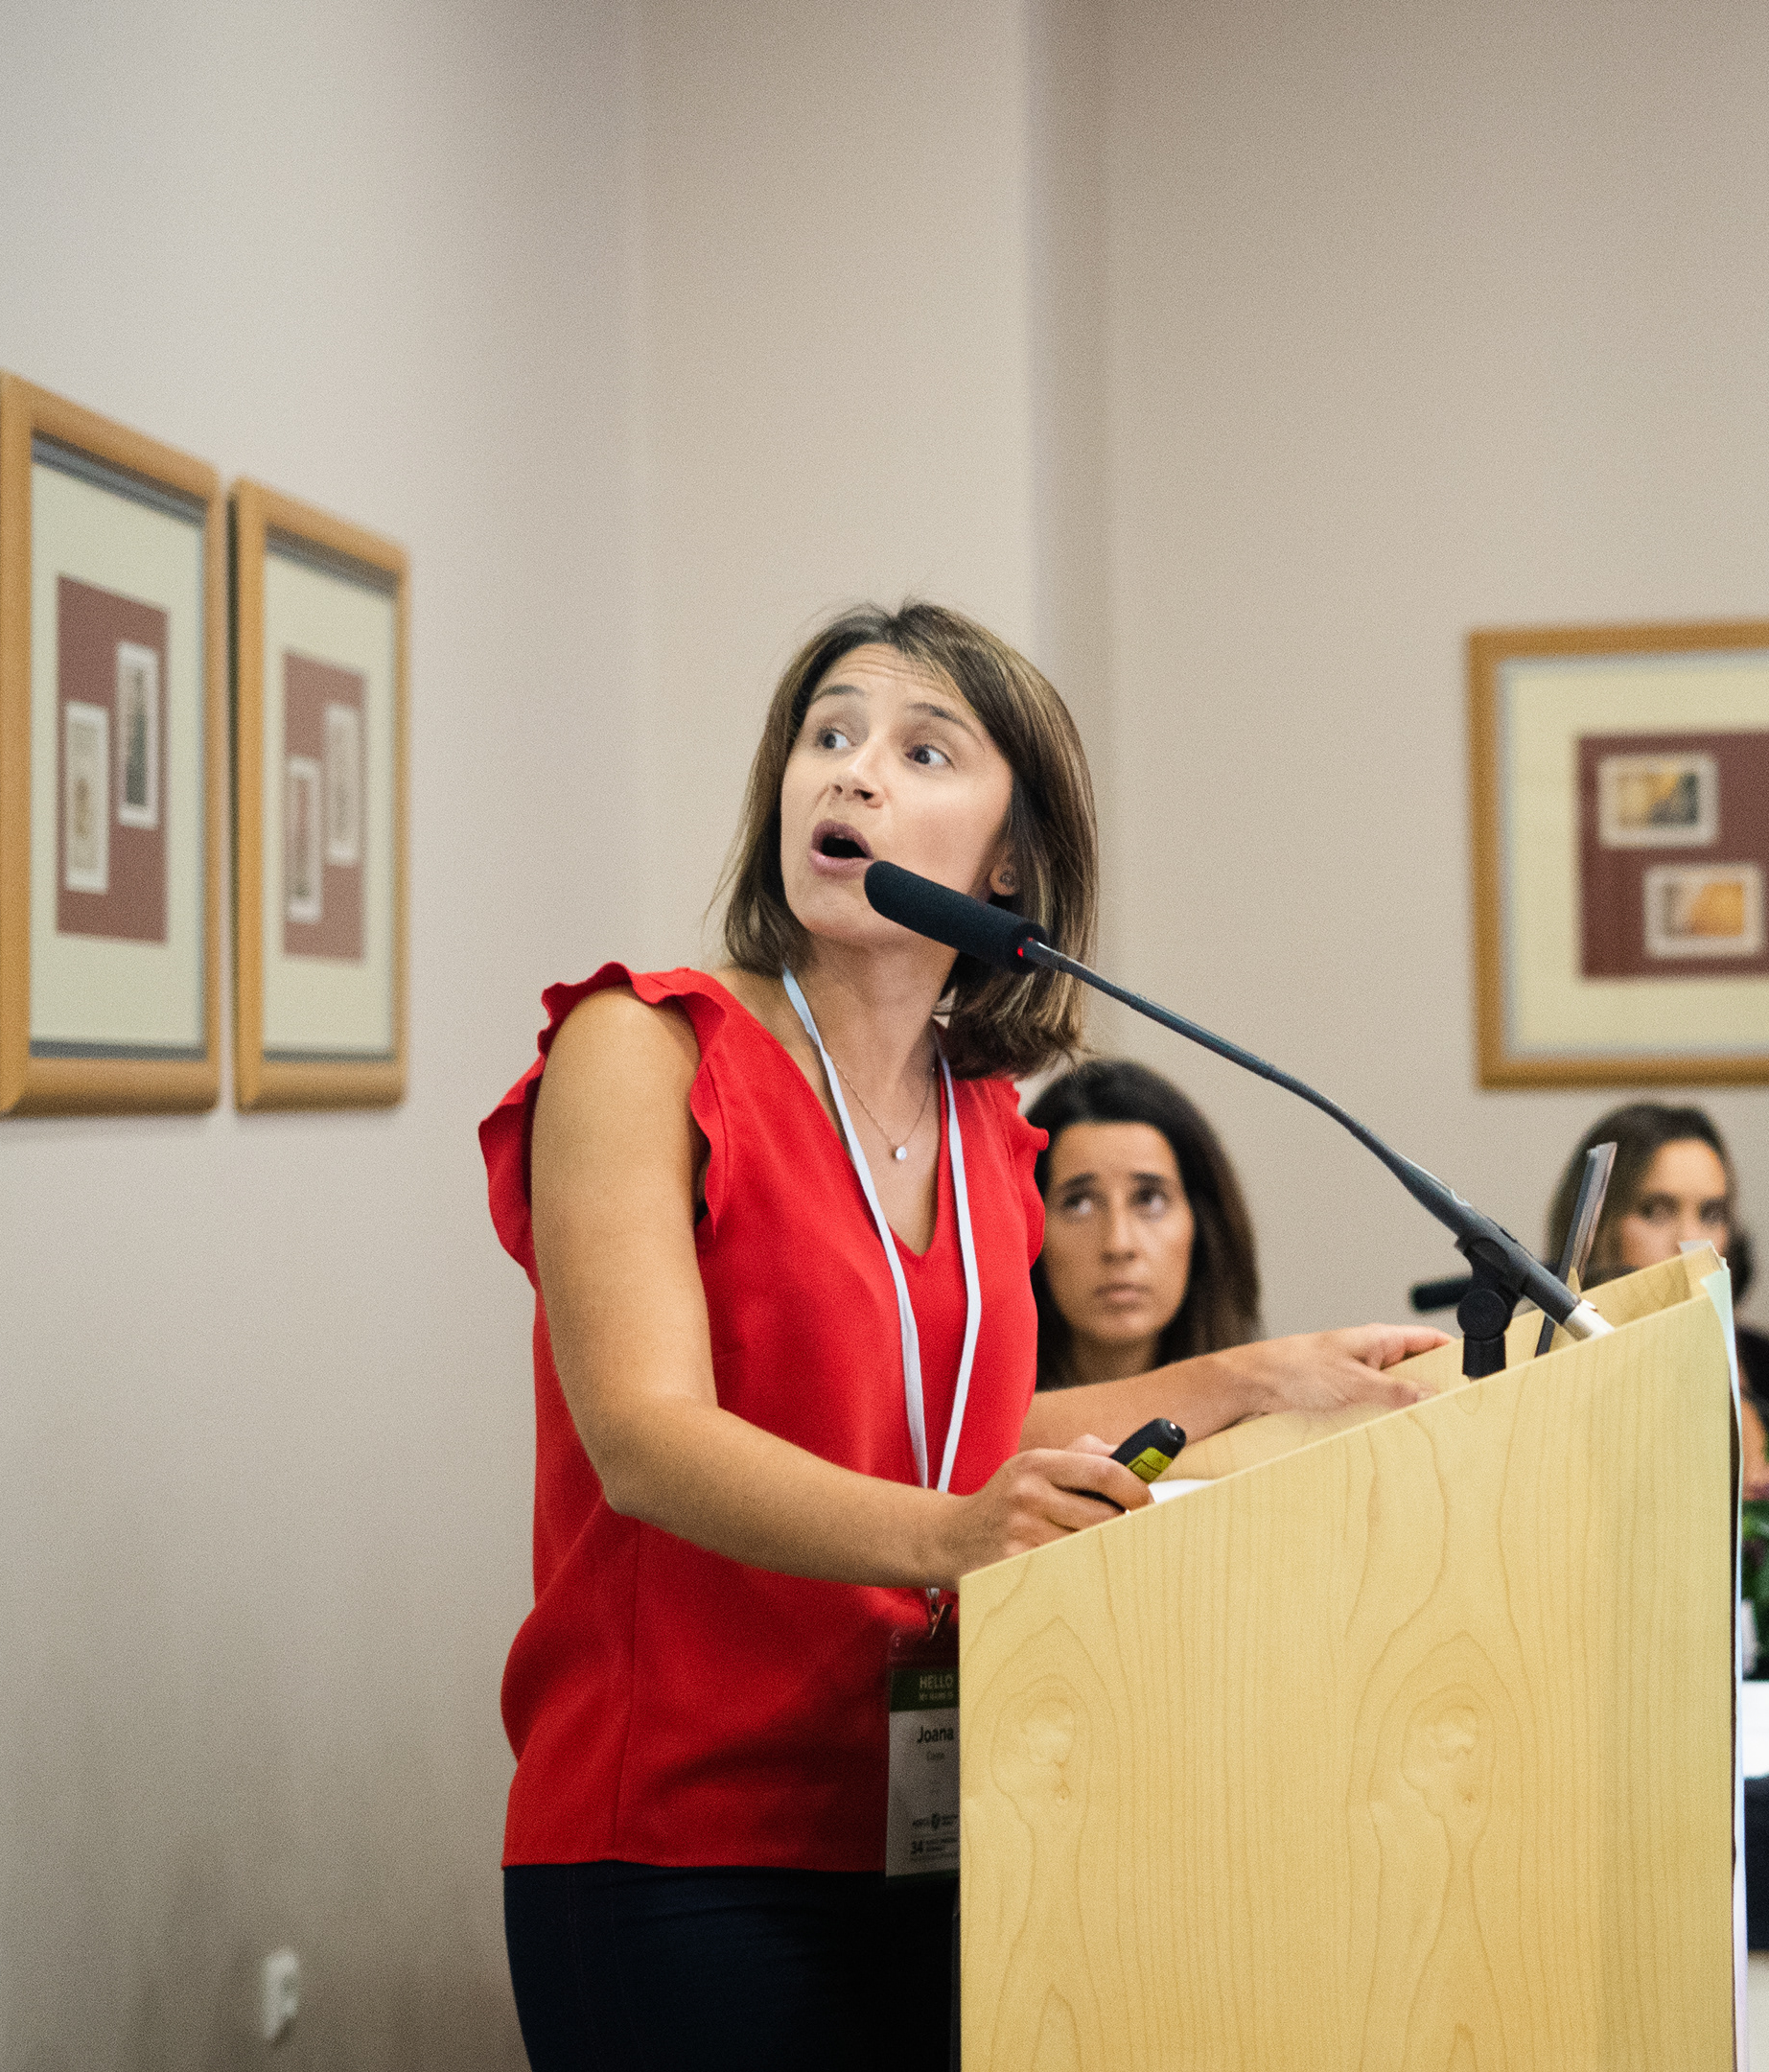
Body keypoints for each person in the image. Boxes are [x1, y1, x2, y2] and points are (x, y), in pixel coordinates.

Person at [477, 601, 1441, 2069]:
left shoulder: (989, 1124)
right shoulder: (645, 1048)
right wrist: (954, 1535)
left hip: (941, 1822)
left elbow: (960, 1446)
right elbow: (647, 1443)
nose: (852, 772)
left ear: (1010, 865)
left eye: (923, 750)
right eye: (829, 734)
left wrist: (1263, 1377)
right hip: (677, 1844)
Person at [1538, 1103, 1769, 1424]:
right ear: (1595, 1227)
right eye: (1656, 1211)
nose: (1690, 1241)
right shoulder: (1536, 1379)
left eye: (1711, 1214)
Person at [1024, 1058, 1262, 1390]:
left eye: (1150, 1199)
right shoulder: (969, 1419)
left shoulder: (1268, 1413)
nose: (1118, 1244)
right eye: (1079, 1204)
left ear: (1202, 1225)